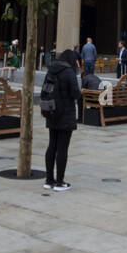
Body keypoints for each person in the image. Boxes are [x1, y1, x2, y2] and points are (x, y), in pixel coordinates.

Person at [43, 49, 79, 191]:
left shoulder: (51, 70)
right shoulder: (69, 72)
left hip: (52, 112)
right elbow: (75, 93)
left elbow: (45, 90)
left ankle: (49, 180)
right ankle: (60, 182)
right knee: (62, 148)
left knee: (52, 145)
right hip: (66, 114)